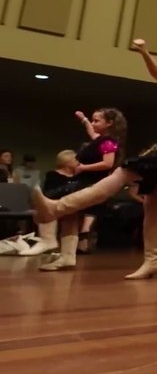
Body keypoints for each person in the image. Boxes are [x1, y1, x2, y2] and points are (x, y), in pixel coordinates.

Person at [33, 41, 157, 280]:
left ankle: (57, 208)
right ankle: (154, 260)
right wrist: (145, 52)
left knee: (125, 171)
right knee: (153, 204)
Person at [39, 109, 127, 272]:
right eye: (93, 121)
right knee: (69, 217)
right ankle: (67, 256)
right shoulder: (100, 140)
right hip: (83, 181)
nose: (93, 124)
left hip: (91, 183)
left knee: (63, 211)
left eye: (97, 121)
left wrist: (83, 167)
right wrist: (84, 120)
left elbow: (108, 163)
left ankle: (59, 249)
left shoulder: (108, 141)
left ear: (109, 123)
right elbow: (91, 132)